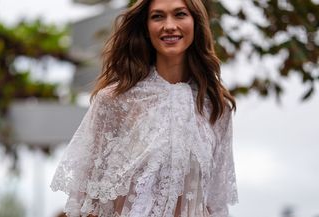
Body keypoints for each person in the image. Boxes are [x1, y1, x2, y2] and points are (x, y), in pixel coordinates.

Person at [50, 0, 238, 216]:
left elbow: (215, 204)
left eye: (179, 14)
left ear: (195, 23)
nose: (169, 25)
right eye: (158, 16)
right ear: (146, 28)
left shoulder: (215, 107)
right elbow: (88, 201)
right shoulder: (114, 102)